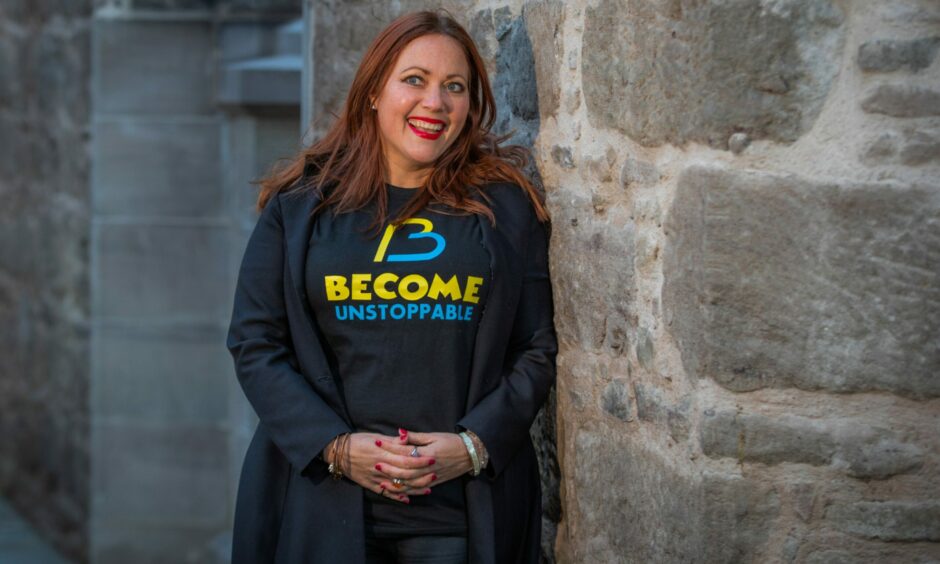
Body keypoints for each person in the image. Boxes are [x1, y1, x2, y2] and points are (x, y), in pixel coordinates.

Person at [226, 9, 557, 564]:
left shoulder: (505, 210)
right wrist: (335, 448)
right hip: (321, 508)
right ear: (374, 92)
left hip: (458, 519)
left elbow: (536, 349)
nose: (436, 103)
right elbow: (255, 343)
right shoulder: (302, 207)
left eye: (455, 87)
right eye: (415, 80)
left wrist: (472, 448)